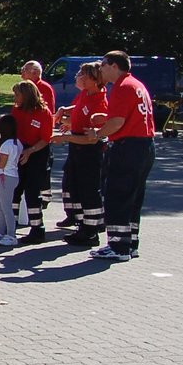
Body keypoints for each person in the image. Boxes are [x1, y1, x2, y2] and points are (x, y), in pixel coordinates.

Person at [88, 50, 155, 262]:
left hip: (128, 146)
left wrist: (98, 134)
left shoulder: (122, 87)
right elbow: (123, 116)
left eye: (104, 65)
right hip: (143, 146)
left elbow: (118, 123)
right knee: (133, 196)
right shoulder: (136, 85)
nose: (101, 69)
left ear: (114, 66)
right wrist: (105, 119)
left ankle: (118, 245)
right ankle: (130, 242)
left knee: (117, 195)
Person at [51, 63, 108, 246]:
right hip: (77, 149)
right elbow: (78, 109)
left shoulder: (100, 102)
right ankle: (82, 225)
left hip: (89, 151)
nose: (77, 76)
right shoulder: (85, 94)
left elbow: (91, 138)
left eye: (81, 74)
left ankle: (91, 232)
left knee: (89, 190)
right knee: (75, 186)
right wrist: (64, 111)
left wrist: (66, 137)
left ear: (92, 79)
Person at [9, 80, 53, 244]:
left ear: (26, 95)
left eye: (17, 94)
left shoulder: (44, 112)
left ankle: (37, 229)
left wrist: (30, 151)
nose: (15, 97)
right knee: (15, 189)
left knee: (32, 191)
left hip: (38, 152)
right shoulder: (16, 110)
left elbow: (45, 139)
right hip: (20, 151)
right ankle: (10, 226)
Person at [0, 113, 23, 246]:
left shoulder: (6, 145)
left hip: (6, 177)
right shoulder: (16, 143)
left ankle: (11, 235)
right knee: (2, 205)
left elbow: (1, 164)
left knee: (5, 207)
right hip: (10, 176)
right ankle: (1, 231)